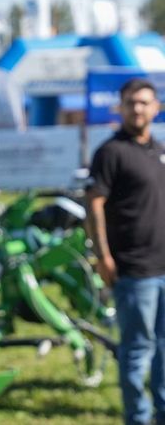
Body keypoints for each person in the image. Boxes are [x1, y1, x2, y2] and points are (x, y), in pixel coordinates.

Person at [86, 78, 165, 425]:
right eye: (132, 102)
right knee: (136, 350)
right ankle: (138, 417)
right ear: (121, 107)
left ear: (156, 108)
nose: (138, 108)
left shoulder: (159, 150)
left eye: (145, 102)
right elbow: (94, 205)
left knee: (163, 348)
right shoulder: (111, 152)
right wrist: (103, 256)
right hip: (133, 270)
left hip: (163, 266)